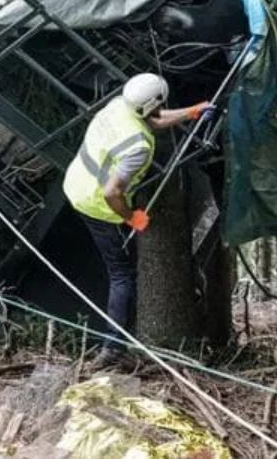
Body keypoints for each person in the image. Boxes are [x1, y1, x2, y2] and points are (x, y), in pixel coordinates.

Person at [62, 73, 210, 368]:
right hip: (95, 202)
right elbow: (111, 192)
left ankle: (116, 343)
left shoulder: (119, 105)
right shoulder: (138, 147)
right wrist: (132, 218)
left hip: (77, 182)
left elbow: (151, 118)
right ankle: (113, 347)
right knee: (122, 275)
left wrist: (191, 111)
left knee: (121, 271)